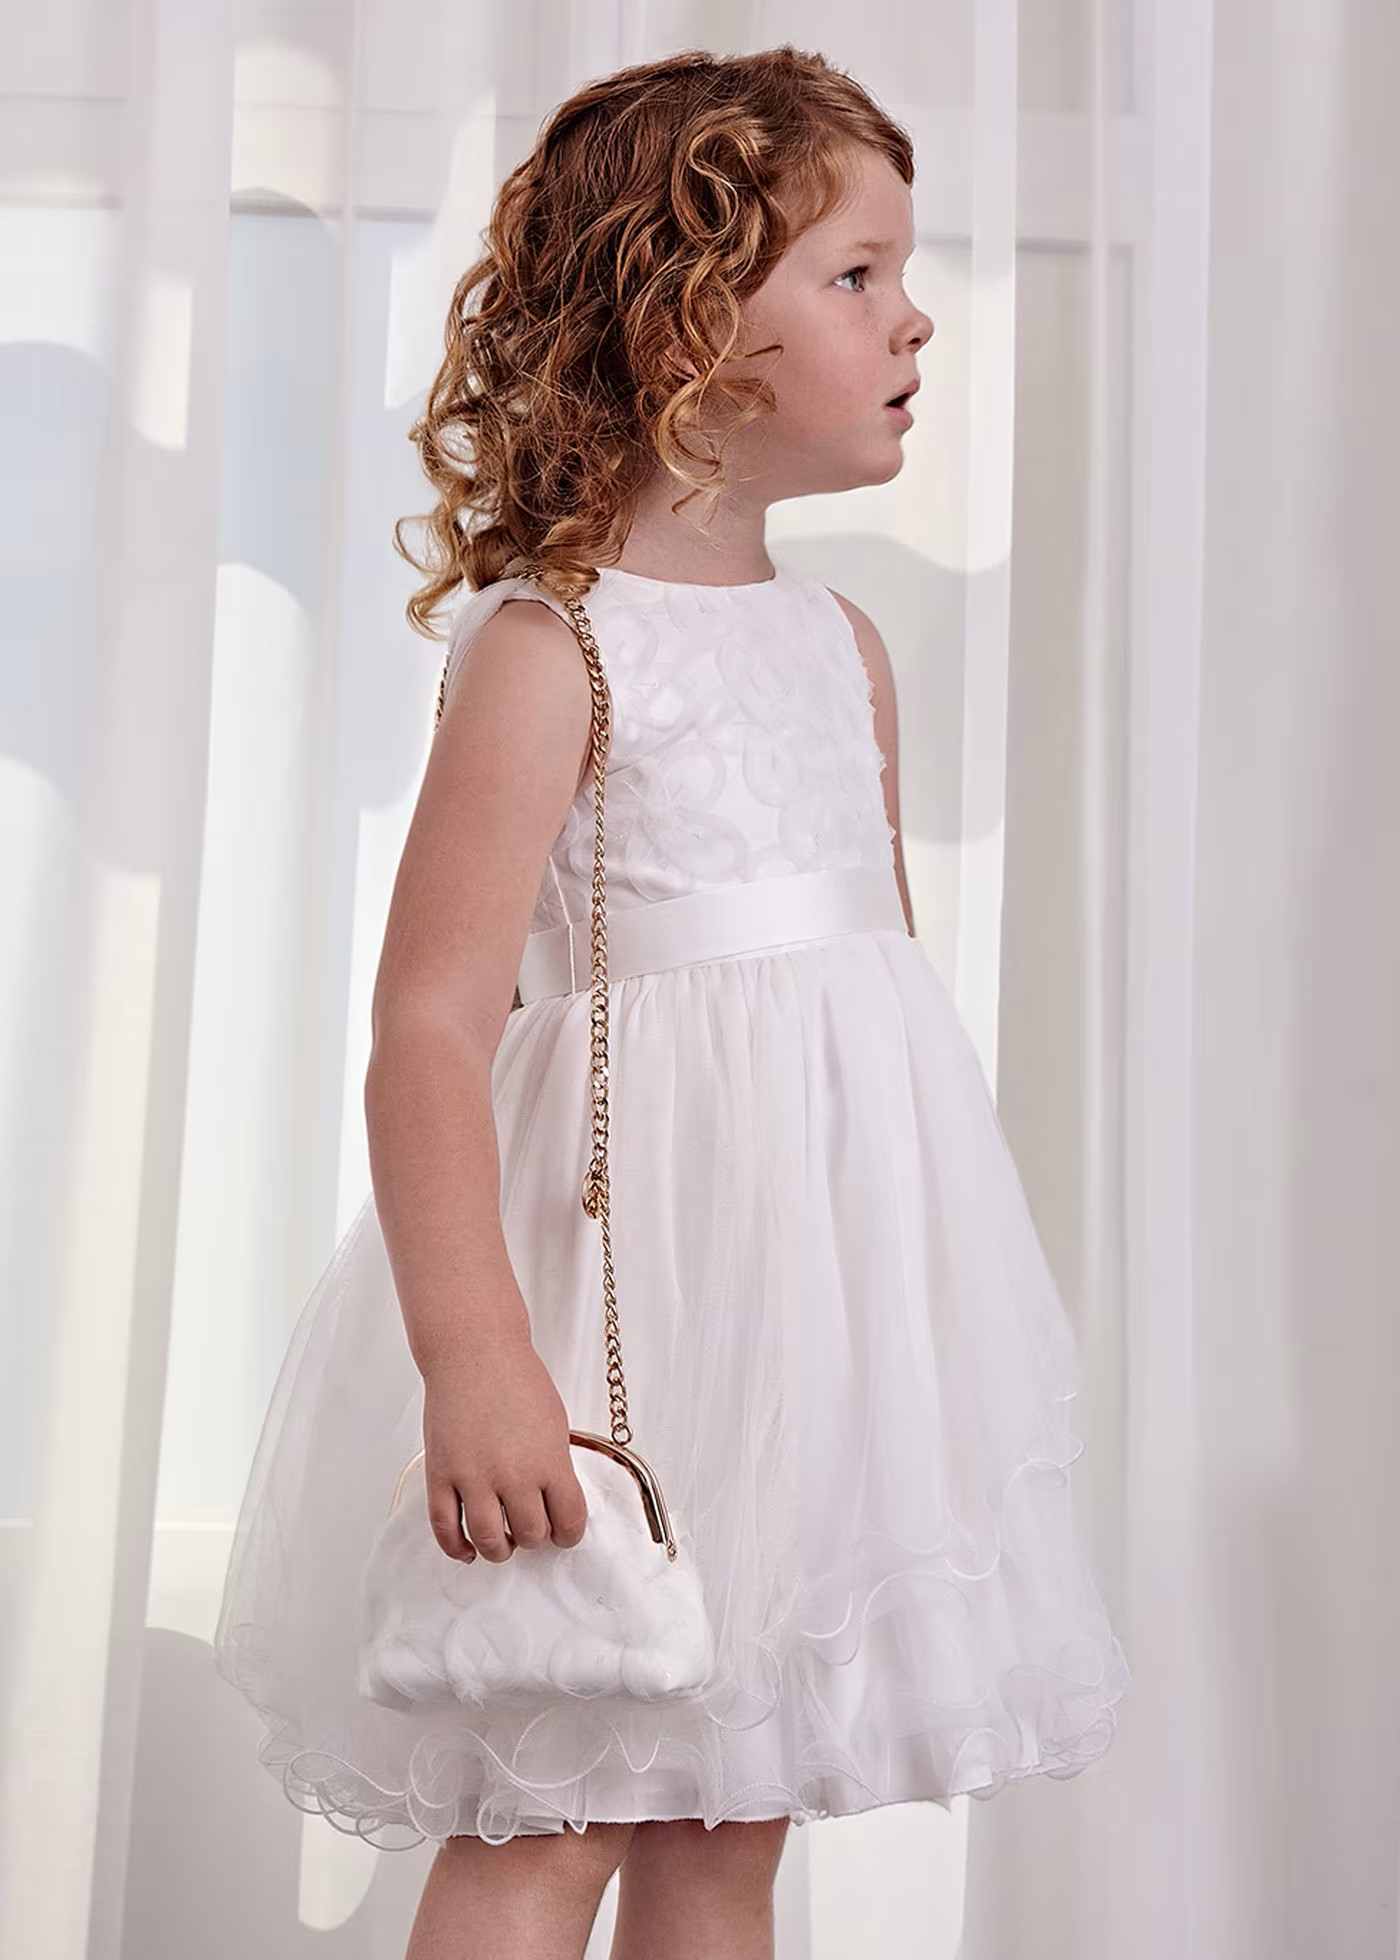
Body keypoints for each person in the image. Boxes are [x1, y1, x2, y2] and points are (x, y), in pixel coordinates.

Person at [214, 43, 1130, 1960]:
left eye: (903, 271)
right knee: (560, 1809)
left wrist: (890, 1326)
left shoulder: (839, 648)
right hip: (621, 1314)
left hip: (818, 1322)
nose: (914, 316)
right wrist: (476, 1358)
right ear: (689, 324)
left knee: (728, 1823)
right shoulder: (555, 648)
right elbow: (430, 1027)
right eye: (857, 274)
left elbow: (868, 1017)